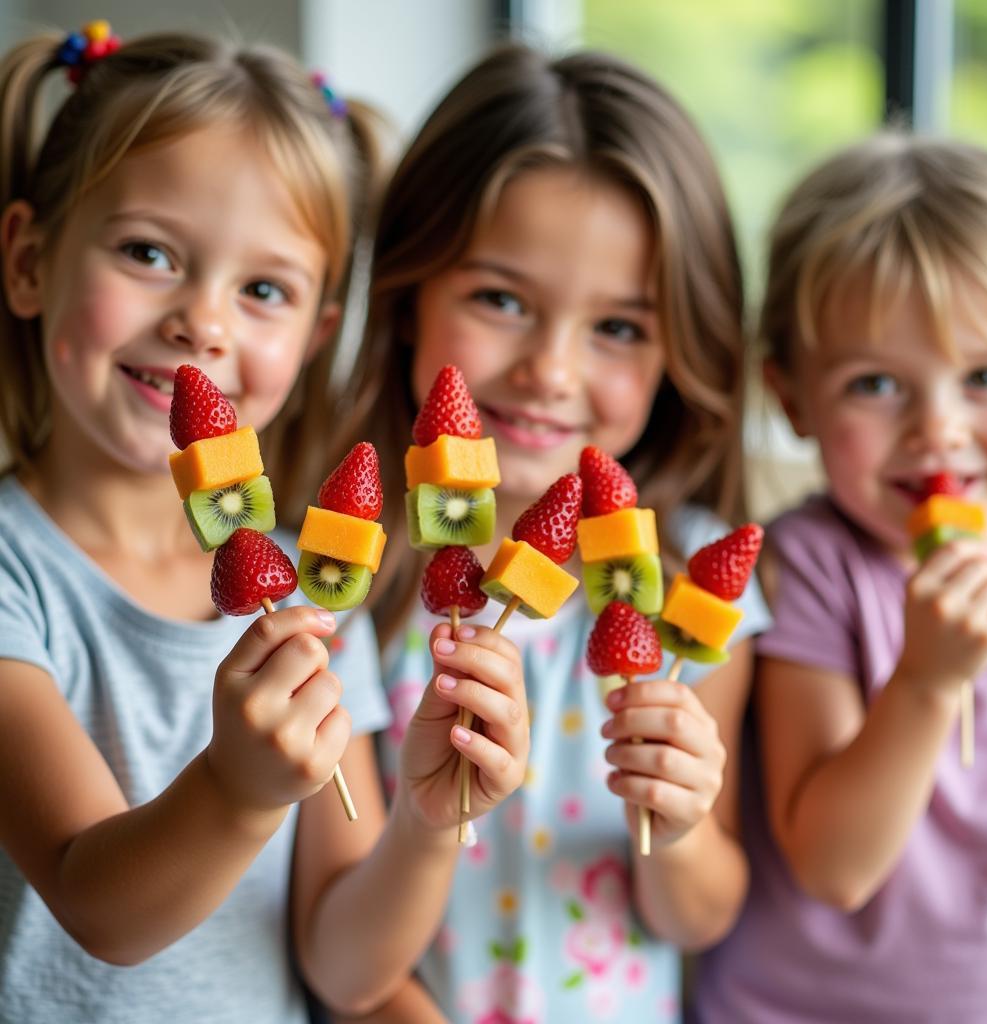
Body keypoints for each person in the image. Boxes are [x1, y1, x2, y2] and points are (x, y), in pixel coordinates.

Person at [323, 43, 770, 1022]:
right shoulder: (341, 576)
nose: (550, 370)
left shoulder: (692, 577)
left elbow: (699, 913)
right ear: (407, 304)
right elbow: (342, 969)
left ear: (677, 350)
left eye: (617, 327)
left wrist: (681, 819)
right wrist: (428, 822)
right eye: (501, 300)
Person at [0, 23, 401, 1023]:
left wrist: (435, 822)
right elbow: (96, 900)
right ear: (28, 260)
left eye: (262, 289)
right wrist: (237, 787)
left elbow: (347, 964)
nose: (203, 322)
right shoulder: (14, 573)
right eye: (148, 252)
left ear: (313, 337)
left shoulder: (314, 579)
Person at [695, 133, 987, 1023]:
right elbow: (833, 868)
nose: (939, 429)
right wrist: (926, 680)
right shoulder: (810, 567)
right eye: (877, 384)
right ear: (794, 398)